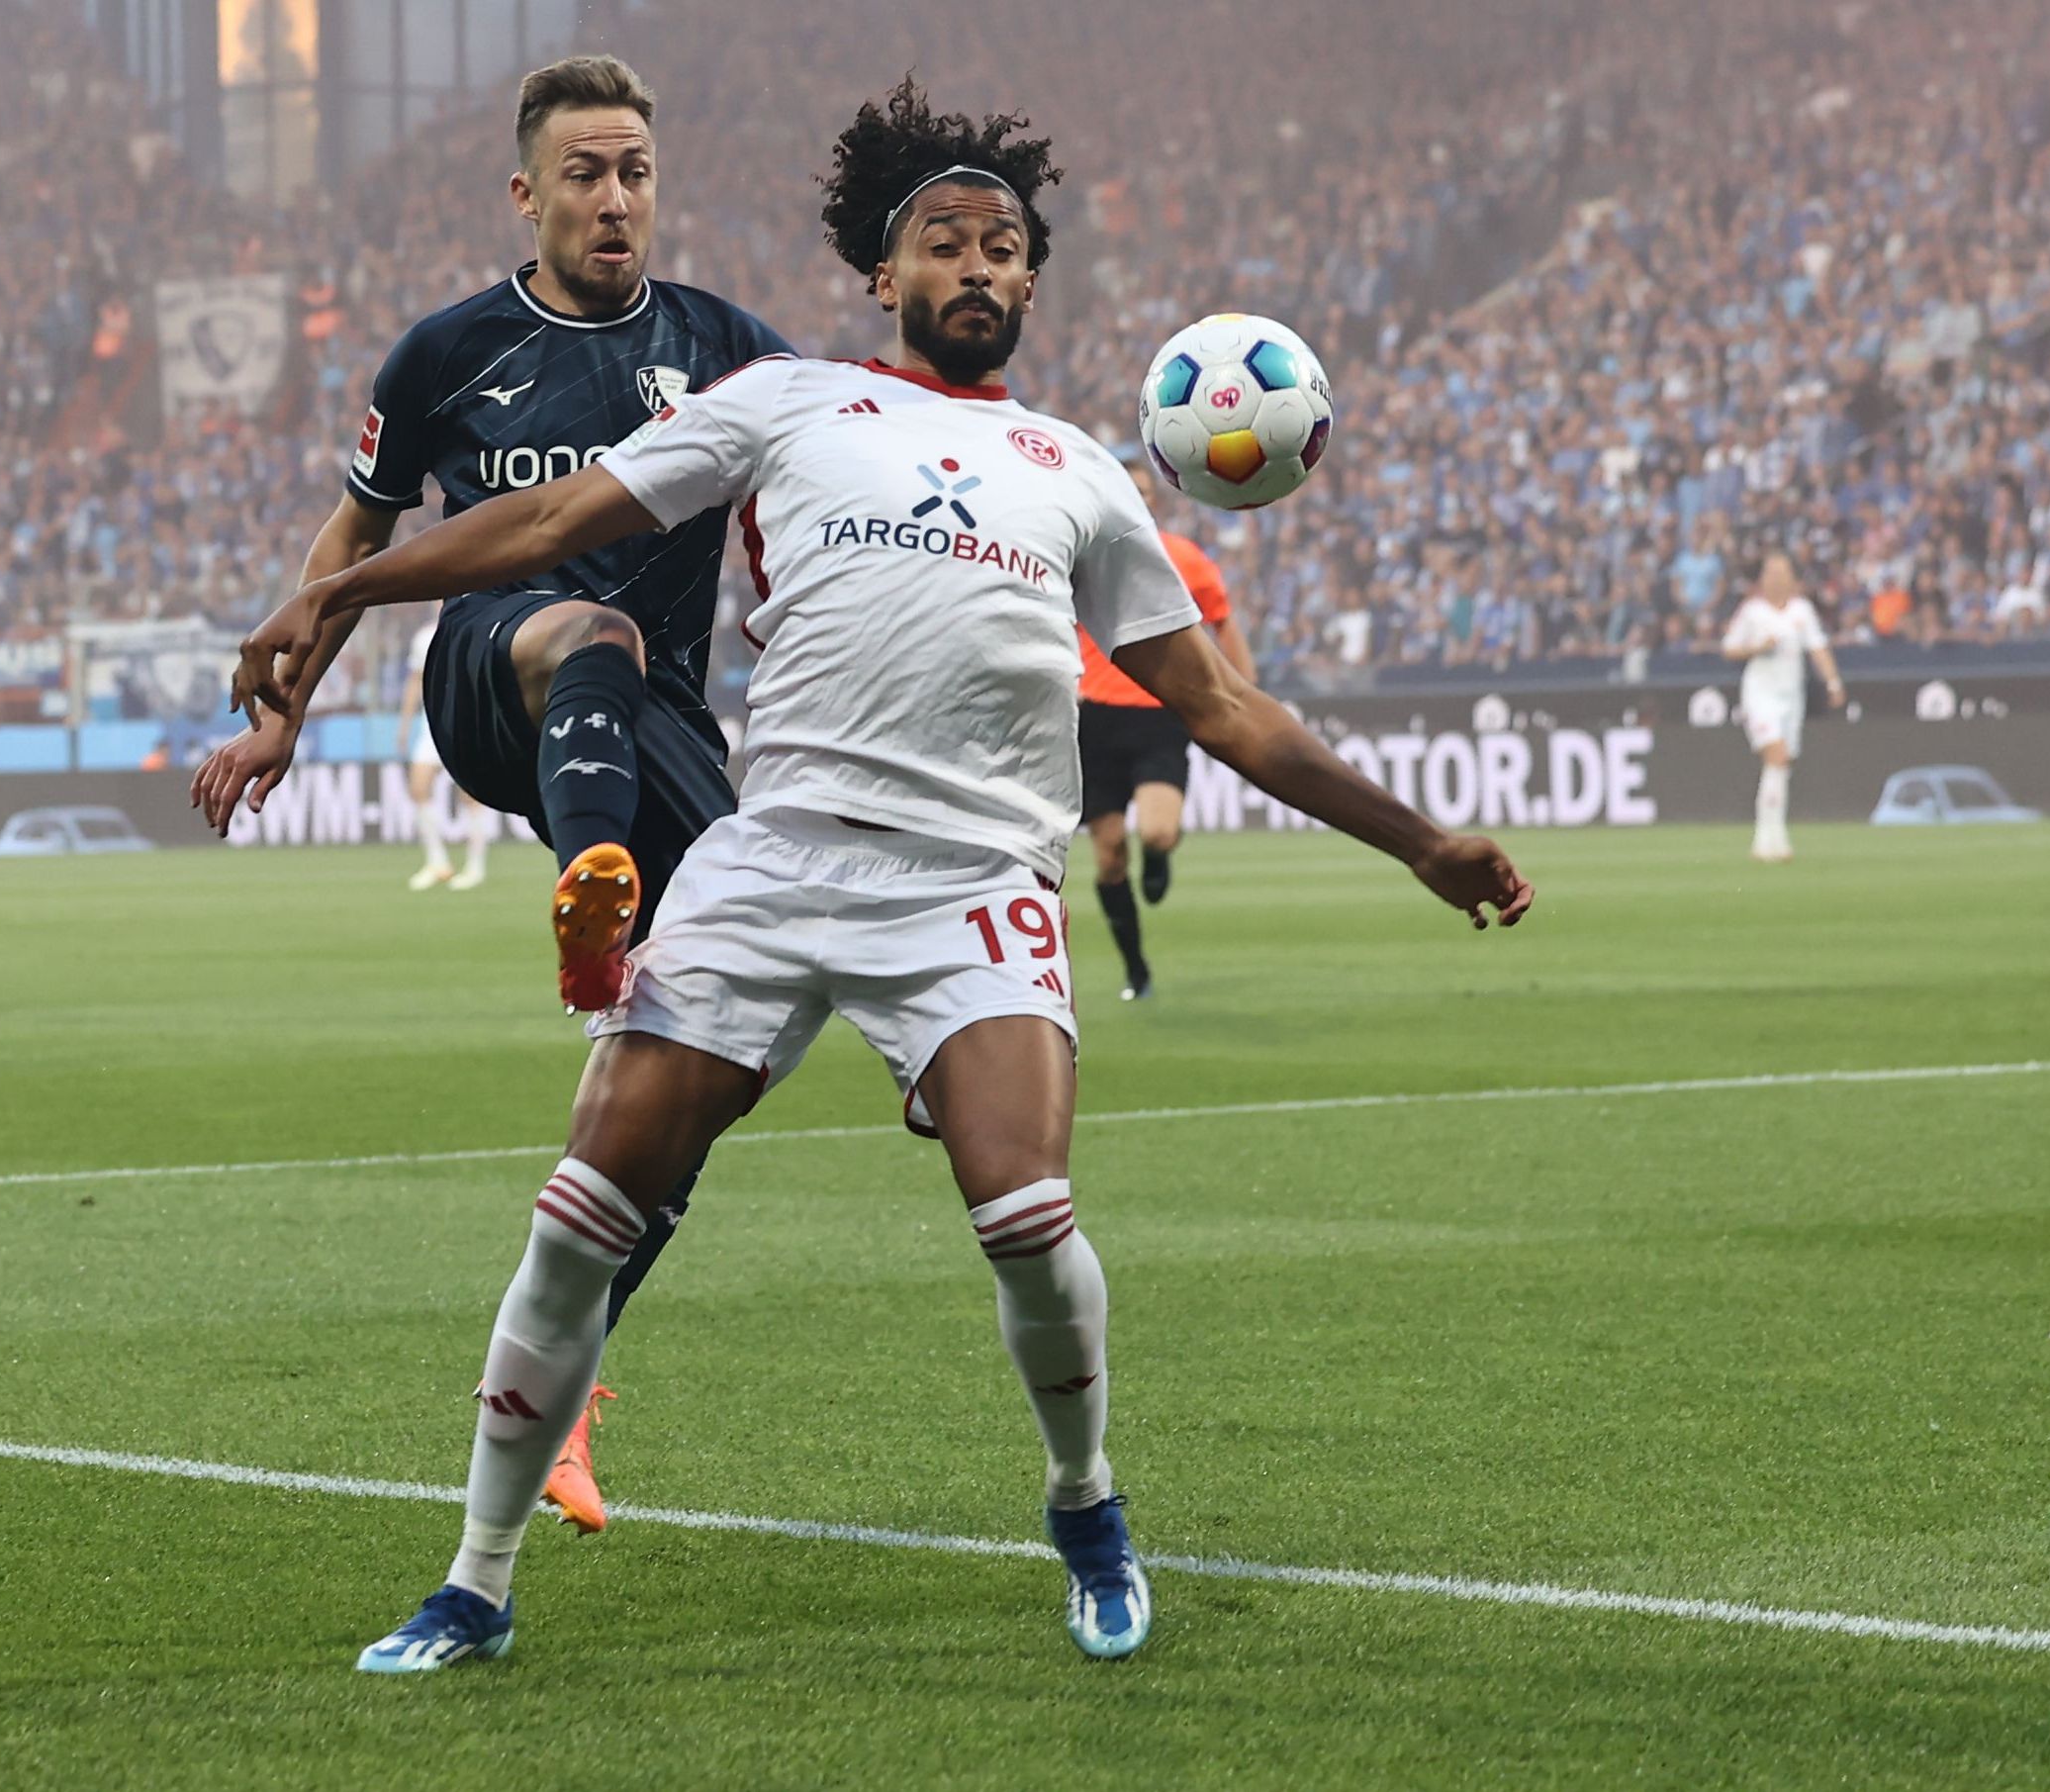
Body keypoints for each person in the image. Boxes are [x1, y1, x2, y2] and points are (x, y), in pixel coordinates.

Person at [227, 78, 1533, 1676]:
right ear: (883, 275)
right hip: (768, 862)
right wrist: (340, 590)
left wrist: (1418, 842)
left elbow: (1221, 708)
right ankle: (474, 1581)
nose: (974, 264)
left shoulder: (1078, 472)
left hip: (968, 883)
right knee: (578, 1216)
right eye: (943, 242)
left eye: (1001, 247)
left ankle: (1084, 1505)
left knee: (1026, 1213)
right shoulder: (783, 403)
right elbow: (557, 510)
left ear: (1030, 284)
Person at [191, 53, 792, 1535]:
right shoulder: (447, 351)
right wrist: (284, 715)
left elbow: (826, 481)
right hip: (491, 675)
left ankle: (571, 1382)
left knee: (698, 1068)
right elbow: (360, 527)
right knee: (590, 627)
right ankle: (590, 898)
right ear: (526, 194)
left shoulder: (728, 349)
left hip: (655, 724)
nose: (611, 198)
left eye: (633, 172)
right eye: (581, 174)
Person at [1076, 449, 1254, 999]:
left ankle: (1159, 856)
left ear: (1154, 503)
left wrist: (1243, 699)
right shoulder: (1081, 558)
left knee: (1157, 831)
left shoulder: (1187, 560)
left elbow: (1224, 628)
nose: (1139, 503)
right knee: (1107, 855)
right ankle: (1136, 969)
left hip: (1159, 714)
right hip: (1094, 719)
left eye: (1147, 495)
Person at [1719, 551, 1845, 863]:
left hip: (1792, 697)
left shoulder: (1802, 611)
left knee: (1781, 763)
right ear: (1762, 578)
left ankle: (1775, 837)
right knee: (1775, 754)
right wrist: (1756, 648)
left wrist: (1833, 682)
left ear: (1793, 578)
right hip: (1760, 694)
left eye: (1782, 571)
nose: (1776, 578)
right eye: (1770, 572)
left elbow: (1818, 648)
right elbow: (1729, 648)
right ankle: (1765, 839)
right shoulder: (1752, 611)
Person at [397, 610, 493, 893]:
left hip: (466, 721)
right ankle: (437, 861)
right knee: (418, 787)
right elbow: (416, 680)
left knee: (470, 794)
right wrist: (404, 725)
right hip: (432, 724)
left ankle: (476, 866)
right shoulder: (424, 637)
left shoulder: (475, 628)